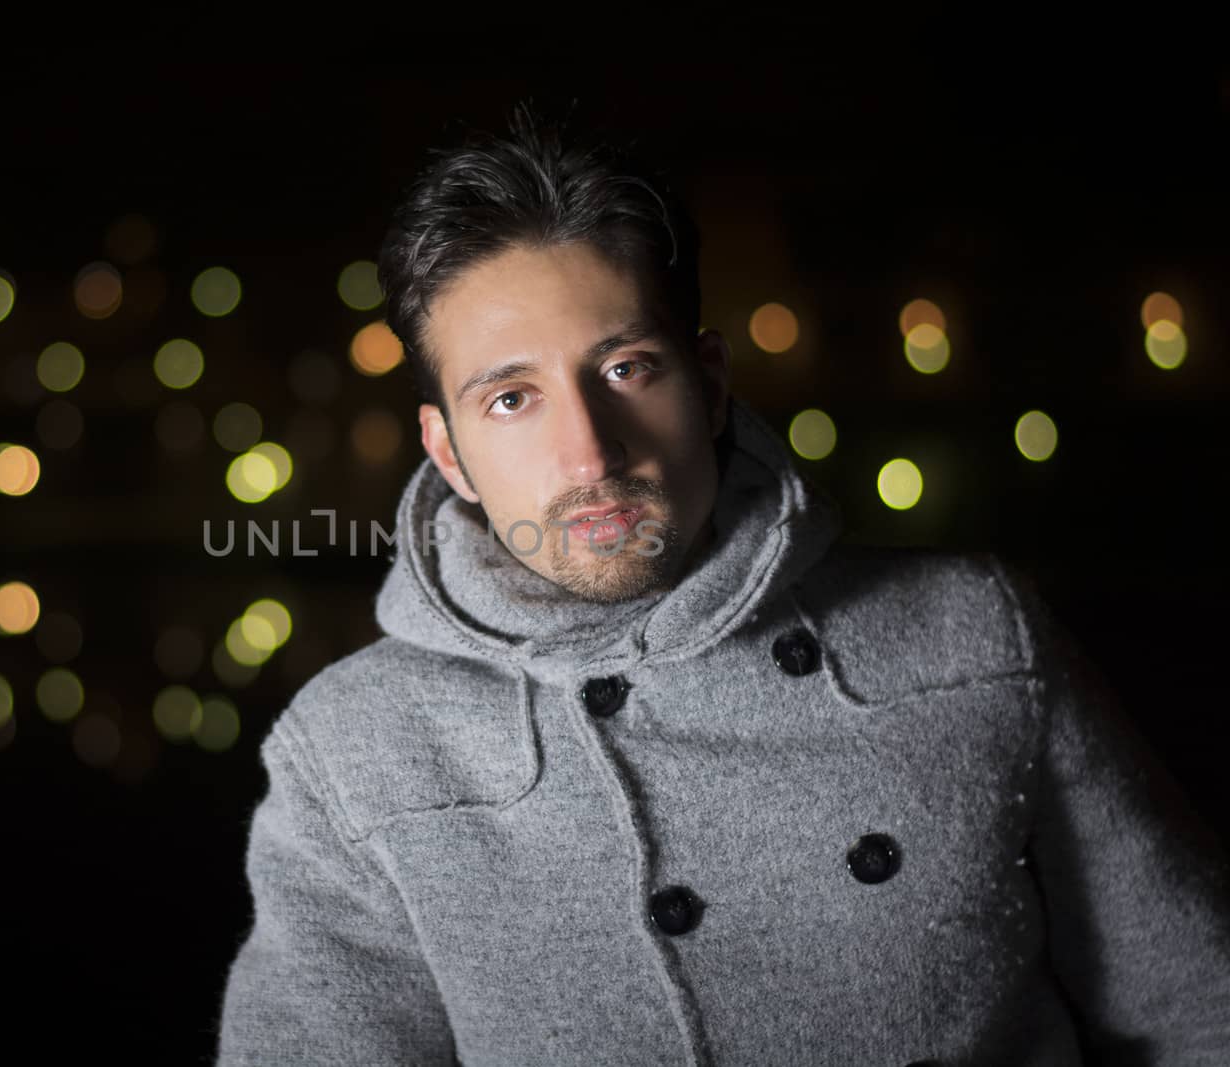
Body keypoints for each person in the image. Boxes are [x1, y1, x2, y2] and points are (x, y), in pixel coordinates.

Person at [214, 101, 1230, 1066]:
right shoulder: (354, 752)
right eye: (512, 397)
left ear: (708, 382)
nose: (588, 455)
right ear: (447, 450)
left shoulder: (970, 635)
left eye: (623, 370)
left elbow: (1202, 1009)